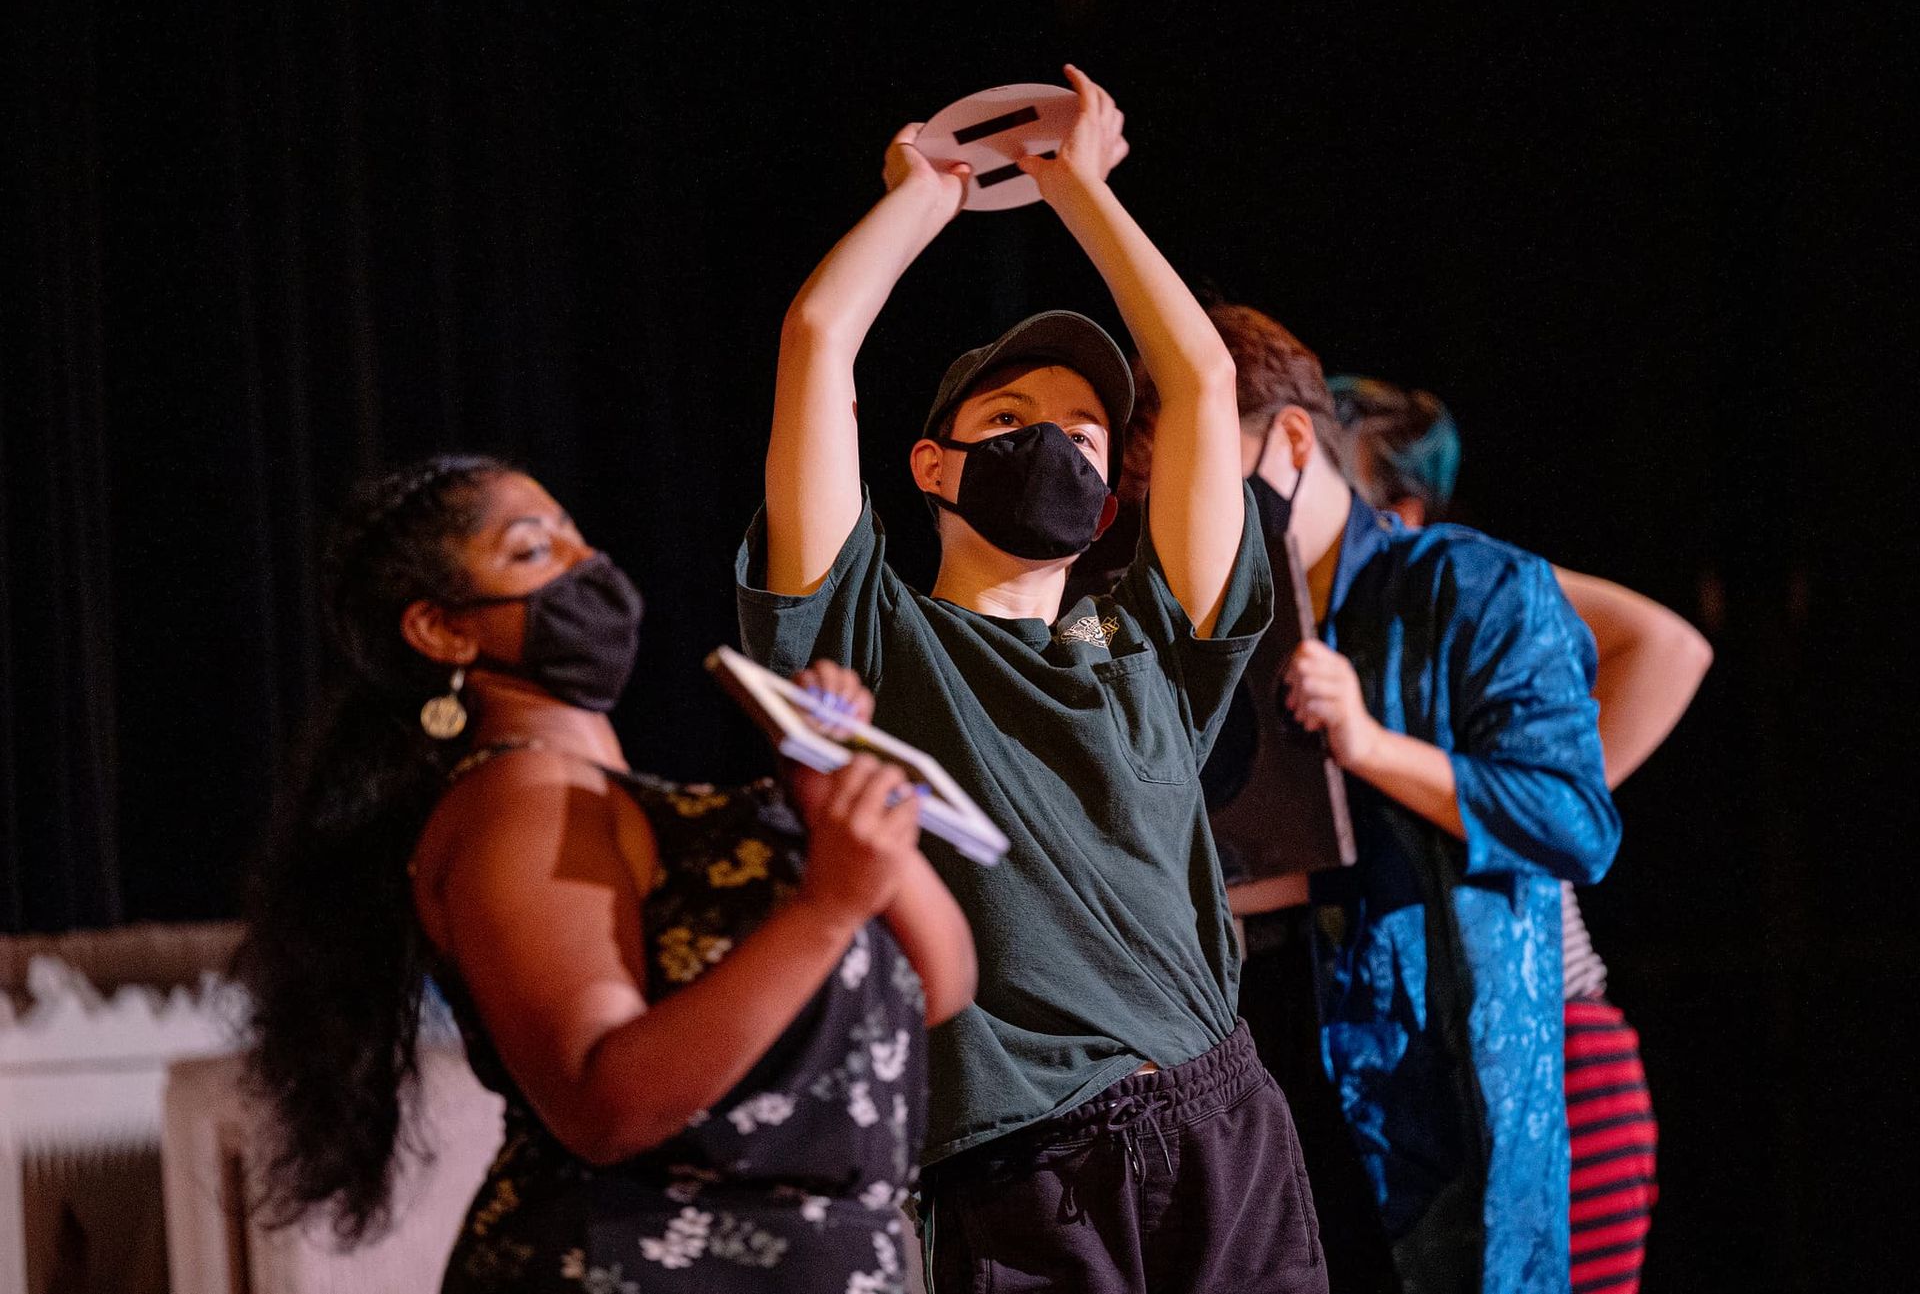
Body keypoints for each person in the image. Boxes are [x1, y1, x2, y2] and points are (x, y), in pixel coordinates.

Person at [738, 70, 1327, 1292]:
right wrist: (927, 194)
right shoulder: (875, 637)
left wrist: (1083, 188)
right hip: (1025, 1171)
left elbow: (1205, 384)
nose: (1053, 443)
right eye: (1012, 419)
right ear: (933, 467)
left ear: (1111, 496)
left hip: (1224, 1121)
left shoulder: (1161, 644)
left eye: (1085, 431)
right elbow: (819, 339)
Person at [236, 455, 976, 1294]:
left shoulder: (650, 806)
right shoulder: (519, 800)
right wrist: (828, 905)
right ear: (443, 629)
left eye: (574, 535)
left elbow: (939, 982)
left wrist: (833, 792)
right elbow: (602, 1100)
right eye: (530, 550)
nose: (582, 562)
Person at [1126, 304, 1622, 1294]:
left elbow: (1575, 822)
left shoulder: (1473, 585)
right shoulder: (1178, 627)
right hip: (1272, 1108)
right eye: (1151, 489)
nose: (1181, 510)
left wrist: (1372, 744)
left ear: (1296, 440)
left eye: (1198, 472)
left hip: (1448, 1113)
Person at [1328, 374, 1713, 1294]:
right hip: (1423, 1090)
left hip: (1553, 1061)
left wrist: (1513, 800)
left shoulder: (1458, 586)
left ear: (1403, 515)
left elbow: (1668, 646)